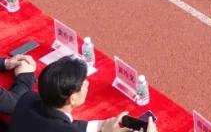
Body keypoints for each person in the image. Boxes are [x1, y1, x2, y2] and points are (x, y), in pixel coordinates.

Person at [9, 56, 141, 132]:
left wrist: (102, 125)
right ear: (72, 98)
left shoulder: (27, 98)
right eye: (83, 83)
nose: (87, 83)